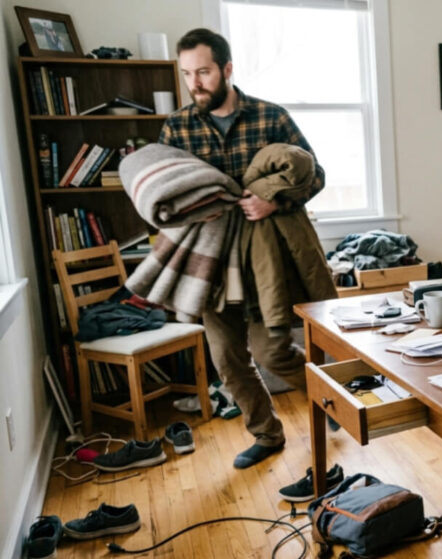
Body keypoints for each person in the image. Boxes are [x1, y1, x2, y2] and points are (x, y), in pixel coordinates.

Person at [159, 28, 331, 469]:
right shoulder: (176, 127)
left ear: (227, 69)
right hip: (212, 265)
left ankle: (333, 402)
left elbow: (316, 175)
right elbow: (165, 192)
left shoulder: (270, 117)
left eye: (203, 72)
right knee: (227, 360)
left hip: (264, 262)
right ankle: (267, 434)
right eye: (186, 74)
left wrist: (275, 199)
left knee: (272, 351)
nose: (194, 83)